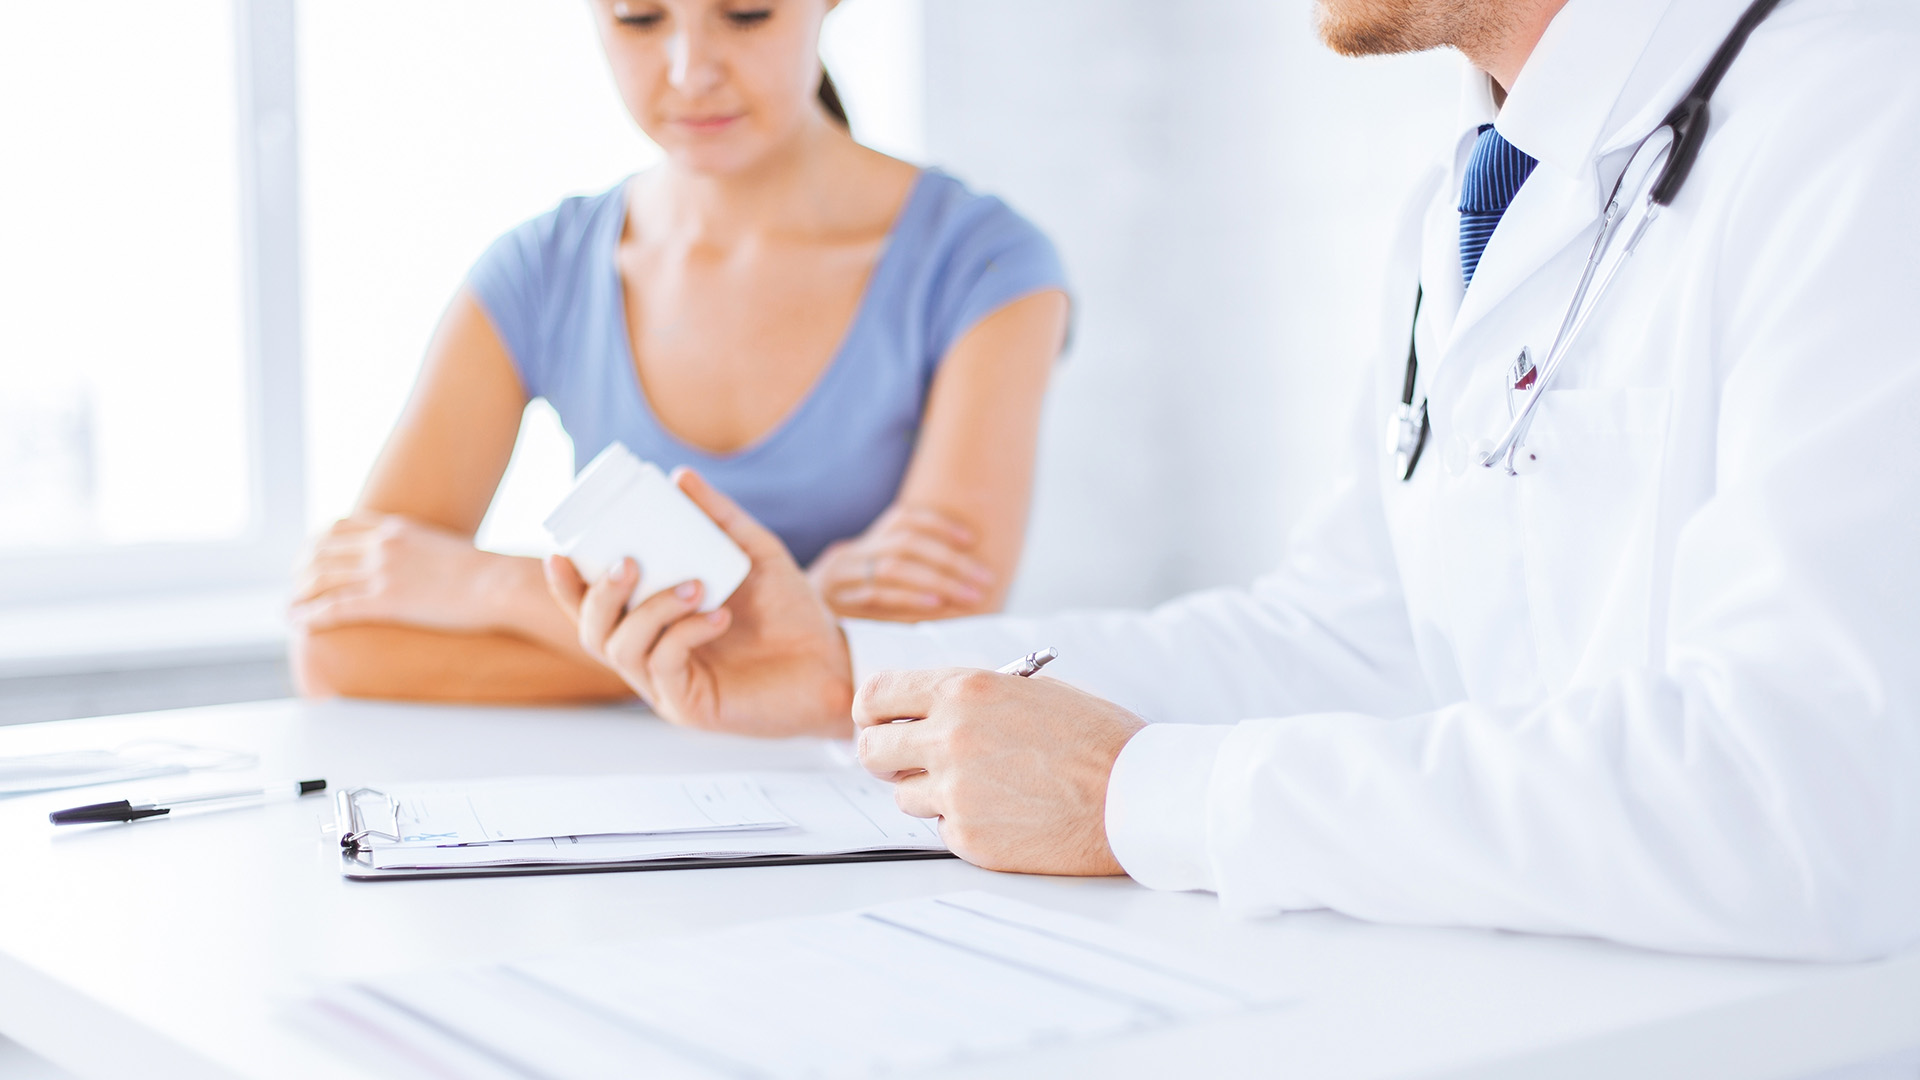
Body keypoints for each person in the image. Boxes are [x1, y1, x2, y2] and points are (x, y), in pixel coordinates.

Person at [544, 0, 1920, 963]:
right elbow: (1348, 637)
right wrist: (851, 669)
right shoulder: (1474, 194)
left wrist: (1144, 797)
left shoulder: (1866, 122)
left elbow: (1811, 797)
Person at [289, 0, 1070, 703]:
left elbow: (935, 625)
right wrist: (798, 620)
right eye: (638, 18)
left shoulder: (985, 264)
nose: (691, 70)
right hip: (615, 824)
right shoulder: (538, 272)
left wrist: (486, 585)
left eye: (747, 13)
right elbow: (340, 644)